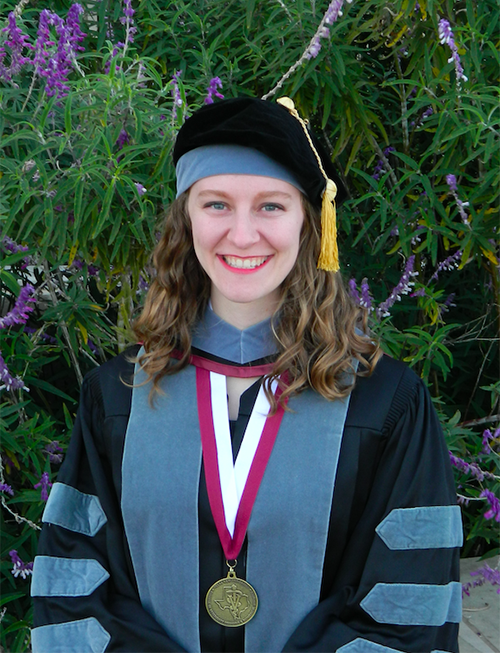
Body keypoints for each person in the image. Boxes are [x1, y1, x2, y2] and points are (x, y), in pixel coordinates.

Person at [31, 97, 462, 653]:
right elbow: (73, 587)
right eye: (216, 204)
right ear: (186, 220)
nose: (240, 235)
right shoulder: (116, 397)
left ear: (311, 222)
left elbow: (410, 607)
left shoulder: (386, 403)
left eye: (270, 207)